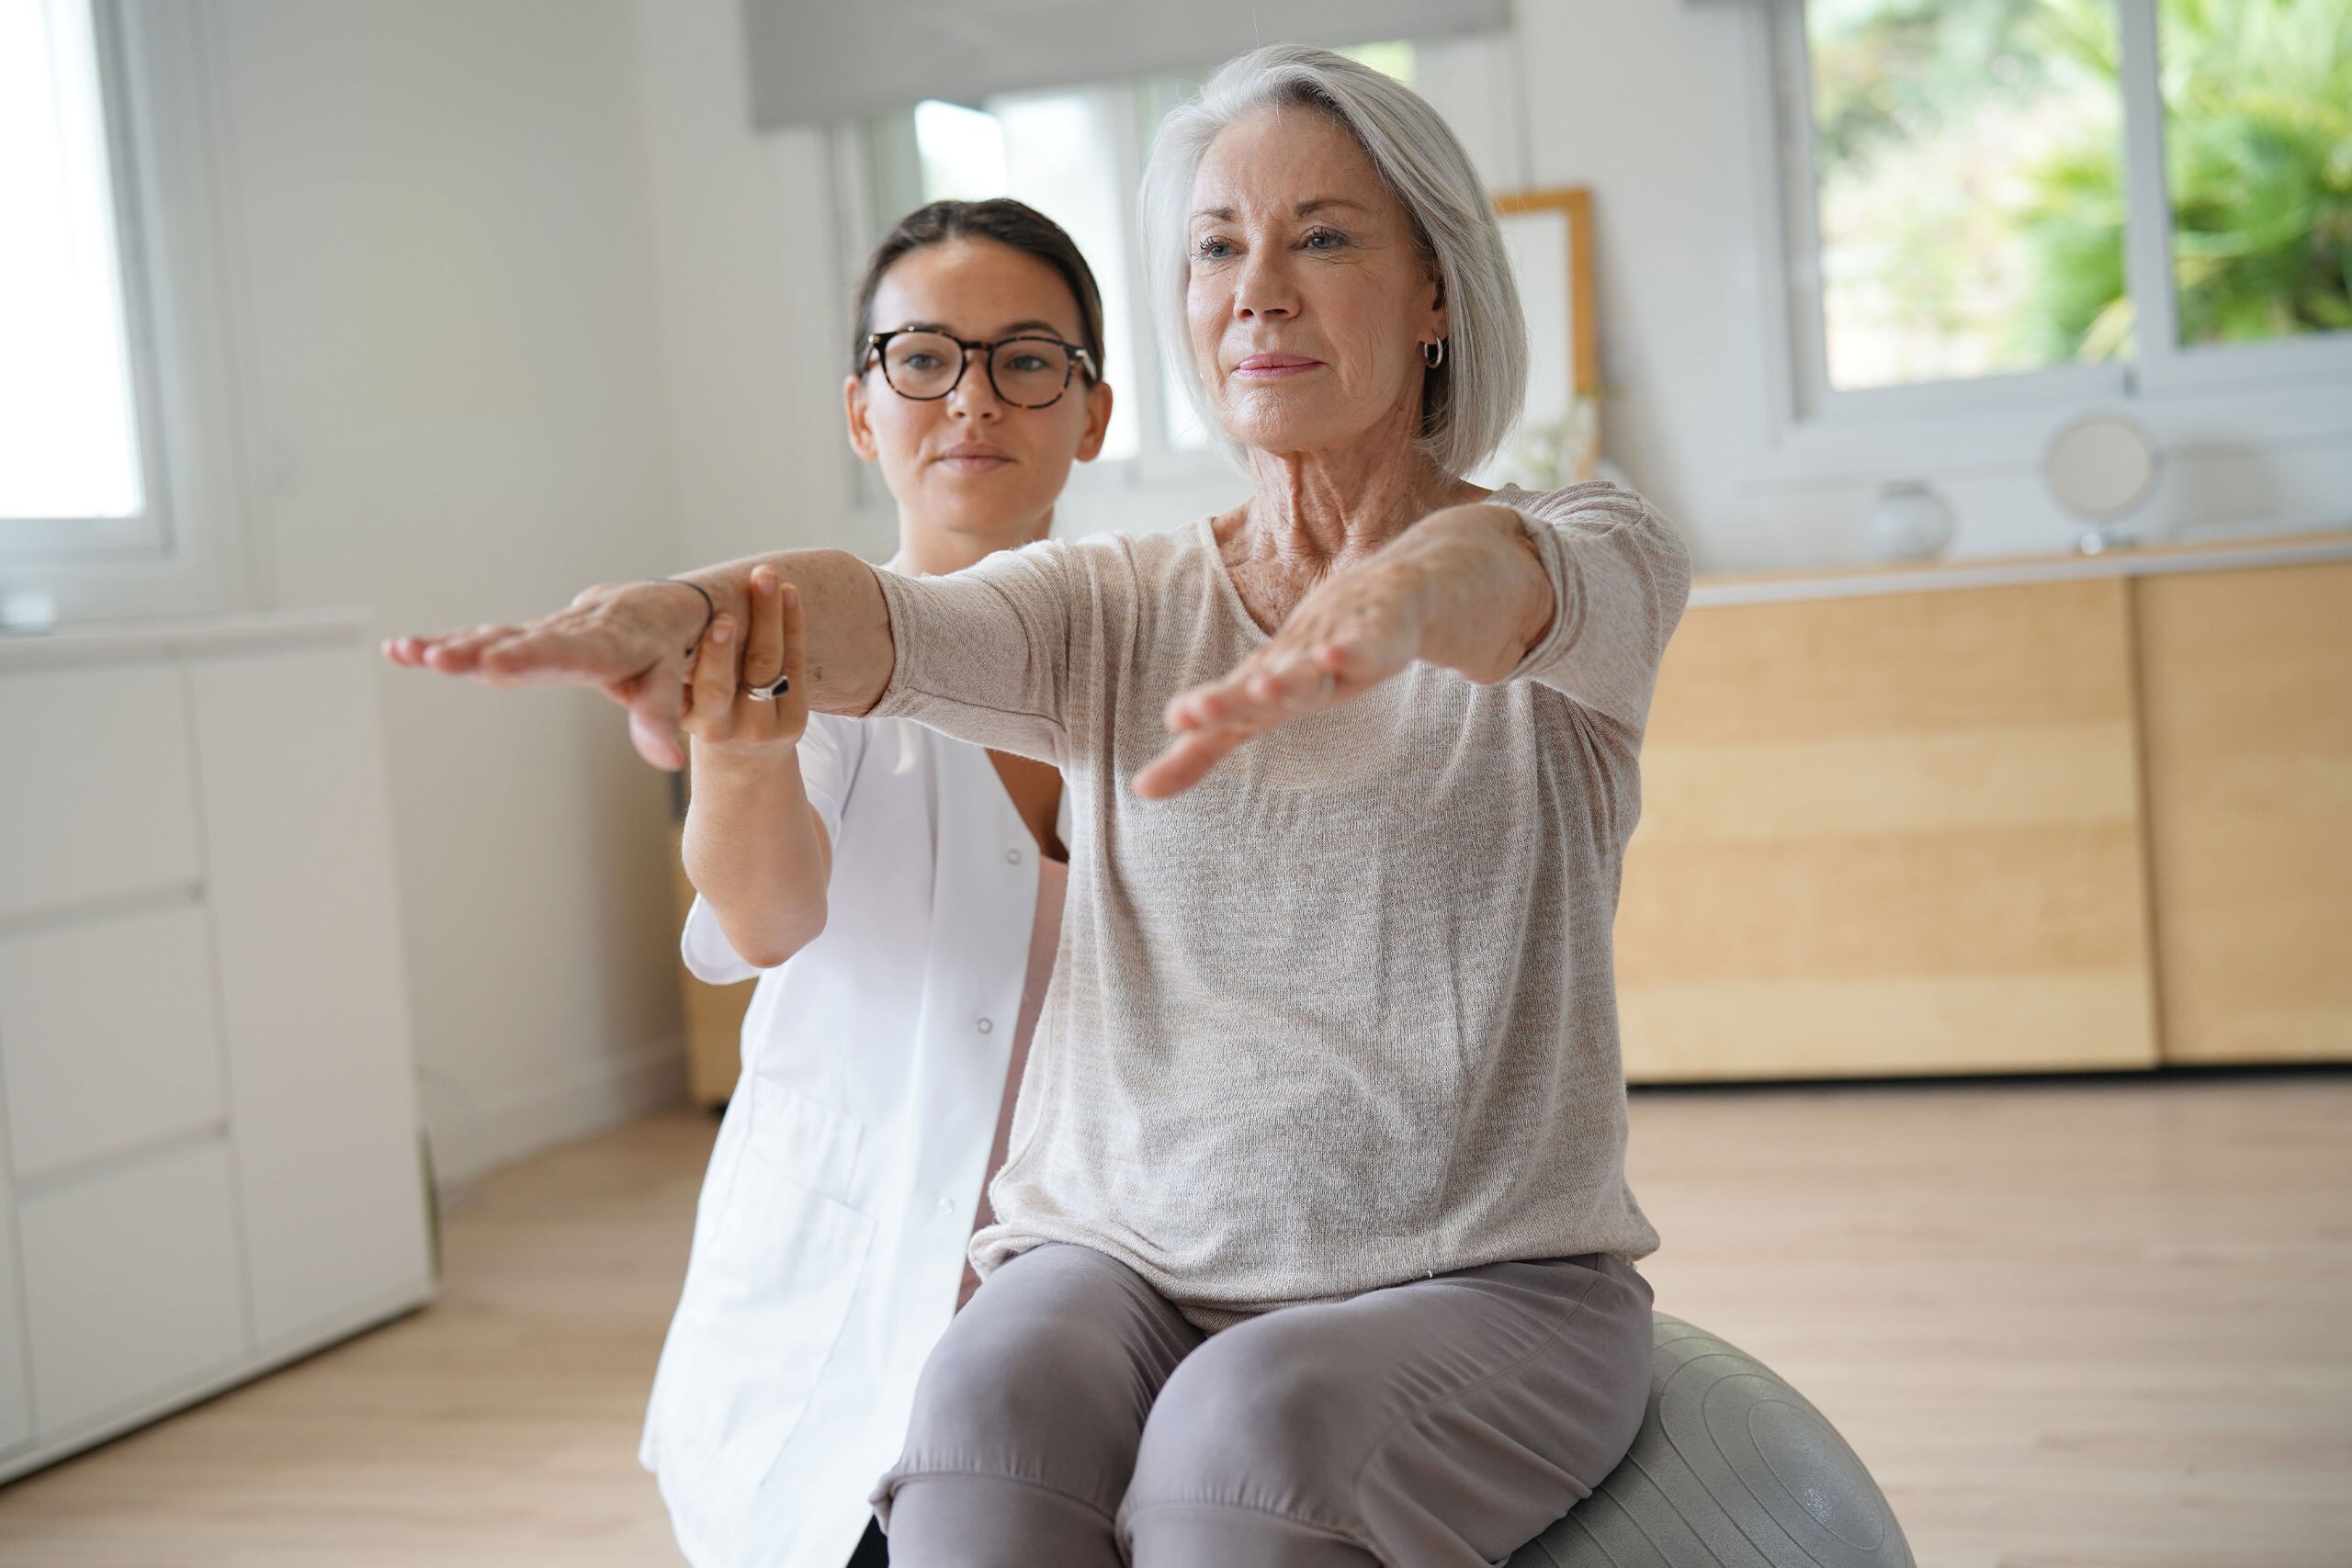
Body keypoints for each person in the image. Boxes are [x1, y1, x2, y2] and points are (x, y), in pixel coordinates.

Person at [390, 43, 1690, 1568]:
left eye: (1323, 236)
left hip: (1484, 1274)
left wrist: (1387, 604)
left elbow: (1509, 586)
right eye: (1218, 245)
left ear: (1438, 294)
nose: (1257, 286)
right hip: (1123, 1258)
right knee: (981, 1407)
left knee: (1245, 1439)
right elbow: (874, 616)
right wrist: (683, 609)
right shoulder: (1119, 600)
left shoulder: (1597, 550)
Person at [614, 199, 1112, 1568]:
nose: (972, 400)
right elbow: (768, 916)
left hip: (1088, 1305)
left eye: (1026, 360)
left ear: (1094, 412)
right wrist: (744, 757)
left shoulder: (1148, 675)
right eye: (922, 359)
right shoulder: (812, 673)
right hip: (846, 1310)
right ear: (861, 411)